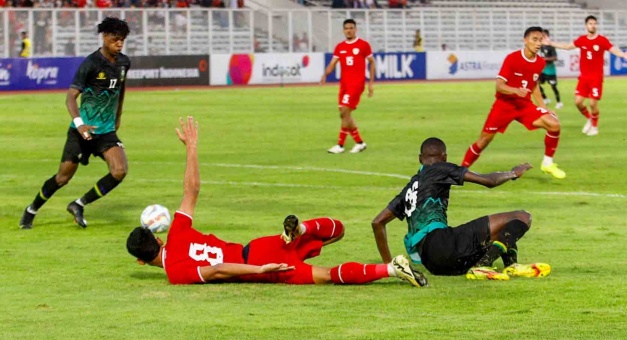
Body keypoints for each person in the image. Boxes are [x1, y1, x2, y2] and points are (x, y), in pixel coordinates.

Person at [126, 116, 428, 288]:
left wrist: (260, 271)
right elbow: (192, 190)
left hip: (258, 264)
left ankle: (390, 269)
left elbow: (216, 270)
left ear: (141, 260)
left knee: (324, 276)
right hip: (257, 247)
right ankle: (302, 230)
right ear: (159, 236)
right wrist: (191, 147)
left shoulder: (175, 274)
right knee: (338, 230)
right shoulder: (177, 230)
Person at [372, 137, 552, 281]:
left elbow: (377, 222)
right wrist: (513, 173)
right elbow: (489, 181)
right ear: (444, 157)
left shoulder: (410, 188)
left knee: (497, 231)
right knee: (521, 217)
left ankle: (511, 266)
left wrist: (390, 266)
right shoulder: (441, 167)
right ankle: (484, 266)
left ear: (420, 159)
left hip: (433, 263)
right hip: (442, 244)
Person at [19, 17, 131, 229]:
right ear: (105, 37)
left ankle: (79, 204)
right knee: (62, 178)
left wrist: (118, 116)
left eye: (122, 40)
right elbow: (70, 97)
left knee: (119, 170)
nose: (119, 44)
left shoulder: (124, 62)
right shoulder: (90, 64)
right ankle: (31, 209)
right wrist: (80, 124)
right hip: (82, 131)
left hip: (105, 131)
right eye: (116, 40)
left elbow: (121, 89)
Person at [461, 26, 566, 180]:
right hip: (504, 105)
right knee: (484, 140)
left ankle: (547, 163)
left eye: (540, 40)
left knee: (554, 124)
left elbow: (534, 84)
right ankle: (460, 171)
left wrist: (543, 108)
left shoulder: (540, 63)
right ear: (525, 40)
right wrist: (515, 90)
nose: (538, 43)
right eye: (534, 39)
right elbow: (499, 85)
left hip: (524, 105)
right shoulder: (512, 58)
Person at [544, 15, 627, 136]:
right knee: (578, 102)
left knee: (593, 103)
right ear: (586, 26)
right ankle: (589, 118)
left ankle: (595, 127)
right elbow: (567, 47)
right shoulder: (582, 40)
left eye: (594, 23)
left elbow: (613, 49)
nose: (593, 25)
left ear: (596, 25)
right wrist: (550, 43)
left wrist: (623, 55)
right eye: (590, 23)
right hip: (584, 77)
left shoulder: (602, 40)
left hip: (596, 77)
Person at [321, 19, 375, 154]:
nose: (349, 30)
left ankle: (340, 145)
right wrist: (325, 75)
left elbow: (372, 63)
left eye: (351, 28)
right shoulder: (340, 47)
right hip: (344, 85)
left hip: (356, 84)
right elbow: (333, 63)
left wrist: (370, 84)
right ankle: (360, 143)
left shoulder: (363, 45)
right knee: (344, 114)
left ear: (355, 29)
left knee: (345, 112)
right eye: (346, 28)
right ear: (343, 30)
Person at [539, 29, 563, 109]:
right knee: (536, 84)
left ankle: (559, 102)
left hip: (550, 71)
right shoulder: (541, 46)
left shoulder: (551, 46)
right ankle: (545, 98)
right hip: (543, 70)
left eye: (544, 36)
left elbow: (555, 58)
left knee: (553, 87)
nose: (543, 37)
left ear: (548, 36)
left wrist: (545, 59)